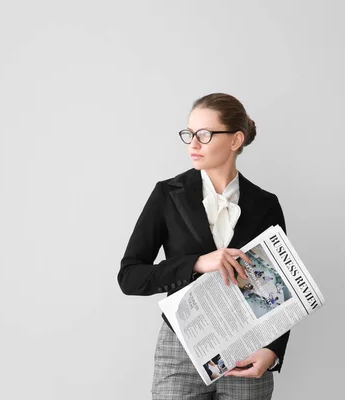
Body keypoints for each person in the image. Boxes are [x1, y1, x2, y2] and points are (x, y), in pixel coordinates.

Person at [118, 93, 291, 399]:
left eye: (205, 134)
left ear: (235, 140)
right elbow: (130, 277)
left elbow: (281, 290)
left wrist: (273, 351)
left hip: (248, 349)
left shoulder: (265, 204)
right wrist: (198, 262)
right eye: (189, 134)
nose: (193, 144)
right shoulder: (167, 195)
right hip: (181, 347)